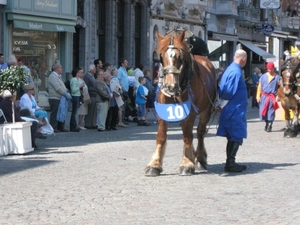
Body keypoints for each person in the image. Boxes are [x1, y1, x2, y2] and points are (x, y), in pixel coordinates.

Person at [216, 49, 248, 173]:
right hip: (234, 110)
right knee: (236, 135)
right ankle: (230, 163)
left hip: (233, 109)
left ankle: (230, 162)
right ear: (243, 59)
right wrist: (221, 105)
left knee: (232, 136)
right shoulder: (235, 72)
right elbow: (228, 91)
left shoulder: (230, 69)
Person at [256, 62, 280, 132]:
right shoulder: (263, 77)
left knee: (271, 111)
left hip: (272, 97)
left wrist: (278, 96)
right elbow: (259, 87)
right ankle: (266, 123)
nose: (270, 70)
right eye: (269, 69)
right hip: (264, 96)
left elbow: (279, 88)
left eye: (271, 69)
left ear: (273, 69)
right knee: (264, 111)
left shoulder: (277, 77)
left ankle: (270, 125)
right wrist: (258, 96)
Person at [48, 63, 70, 132]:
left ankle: (61, 127)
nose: (62, 69)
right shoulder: (53, 76)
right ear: (57, 68)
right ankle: (53, 127)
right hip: (55, 97)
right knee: (55, 113)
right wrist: (64, 93)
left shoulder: (59, 76)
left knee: (61, 112)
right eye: (61, 68)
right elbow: (57, 87)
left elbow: (62, 86)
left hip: (61, 98)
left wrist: (66, 91)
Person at [69, 67, 85, 132]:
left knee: (75, 112)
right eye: (80, 72)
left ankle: (74, 125)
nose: (82, 74)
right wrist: (80, 86)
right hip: (75, 96)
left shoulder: (78, 79)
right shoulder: (74, 80)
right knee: (74, 112)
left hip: (78, 96)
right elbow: (73, 90)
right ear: (77, 73)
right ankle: (73, 126)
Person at [83, 63, 97, 129]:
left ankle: (93, 123)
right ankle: (88, 124)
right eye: (94, 69)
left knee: (94, 110)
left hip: (94, 94)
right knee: (90, 110)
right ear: (91, 69)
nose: (95, 70)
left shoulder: (92, 76)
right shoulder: (87, 76)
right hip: (90, 94)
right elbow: (86, 86)